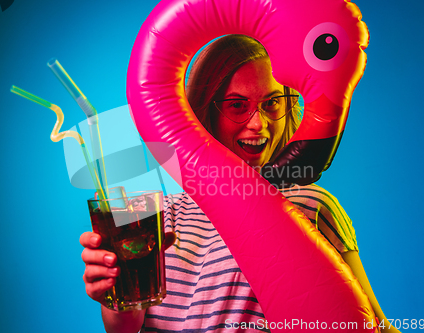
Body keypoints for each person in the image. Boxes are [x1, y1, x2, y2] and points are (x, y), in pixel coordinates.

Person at [80, 35, 399, 332]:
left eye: (272, 103)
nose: (258, 123)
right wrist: (112, 289)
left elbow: (369, 322)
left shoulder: (309, 205)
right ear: (204, 113)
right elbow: (125, 327)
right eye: (236, 105)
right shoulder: (157, 214)